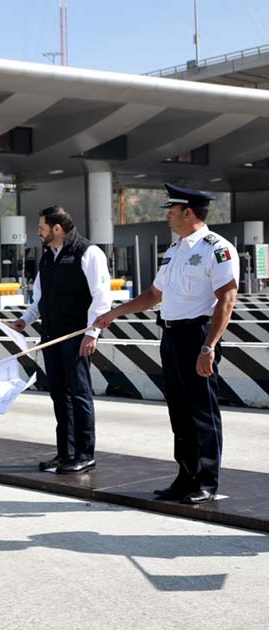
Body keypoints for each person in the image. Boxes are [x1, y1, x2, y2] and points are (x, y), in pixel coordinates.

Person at [94, 183, 238, 504]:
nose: (168, 216)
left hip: (197, 336)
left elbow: (227, 298)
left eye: (172, 210)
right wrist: (115, 312)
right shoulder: (174, 250)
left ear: (188, 212)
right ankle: (185, 476)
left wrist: (209, 346)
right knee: (180, 412)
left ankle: (207, 481)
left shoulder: (217, 248)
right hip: (171, 335)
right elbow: (153, 296)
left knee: (202, 412)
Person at [11, 206, 112, 474]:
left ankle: (84, 454)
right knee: (59, 395)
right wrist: (26, 319)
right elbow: (40, 298)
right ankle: (65, 453)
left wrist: (92, 333)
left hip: (77, 335)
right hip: (51, 336)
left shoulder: (88, 253)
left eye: (42, 226)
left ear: (58, 228)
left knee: (79, 395)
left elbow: (101, 297)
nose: (38, 231)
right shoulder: (47, 257)